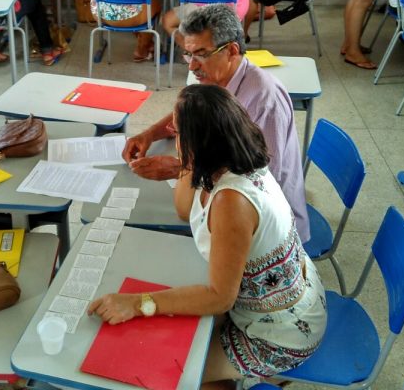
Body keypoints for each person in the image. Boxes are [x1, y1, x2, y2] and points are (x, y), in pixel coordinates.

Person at [90, 85, 326, 389]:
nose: (172, 136)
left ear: (199, 142)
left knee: (161, 370)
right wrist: (188, 163)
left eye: (177, 132)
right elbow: (184, 209)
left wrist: (138, 303)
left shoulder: (232, 201)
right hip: (266, 300)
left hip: (279, 333)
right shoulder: (229, 160)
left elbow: (219, 297)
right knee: (169, 345)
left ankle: (244, 377)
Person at [123, 4, 310, 243]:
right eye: (188, 54)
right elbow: (189, 112)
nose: (192, 65)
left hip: (268, 226)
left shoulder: (264, 101)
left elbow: (260, 179)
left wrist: (182, 169)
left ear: (231, 50)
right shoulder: (216, 76)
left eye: (201, 54)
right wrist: (149, 135)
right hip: (227, 197)